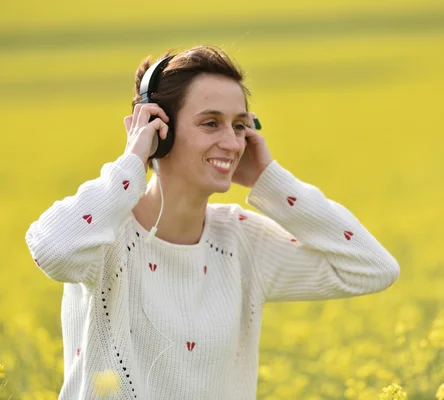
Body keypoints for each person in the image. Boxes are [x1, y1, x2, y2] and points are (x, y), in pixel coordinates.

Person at [25, 45, 400, 400]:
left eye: (240, 126)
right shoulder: (104, 235)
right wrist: (132, 162)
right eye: (210, 123)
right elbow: (50, 248)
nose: (233, 143)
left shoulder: (240, 240)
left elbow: (373, 268)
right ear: (160, 133)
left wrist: (269, 179)